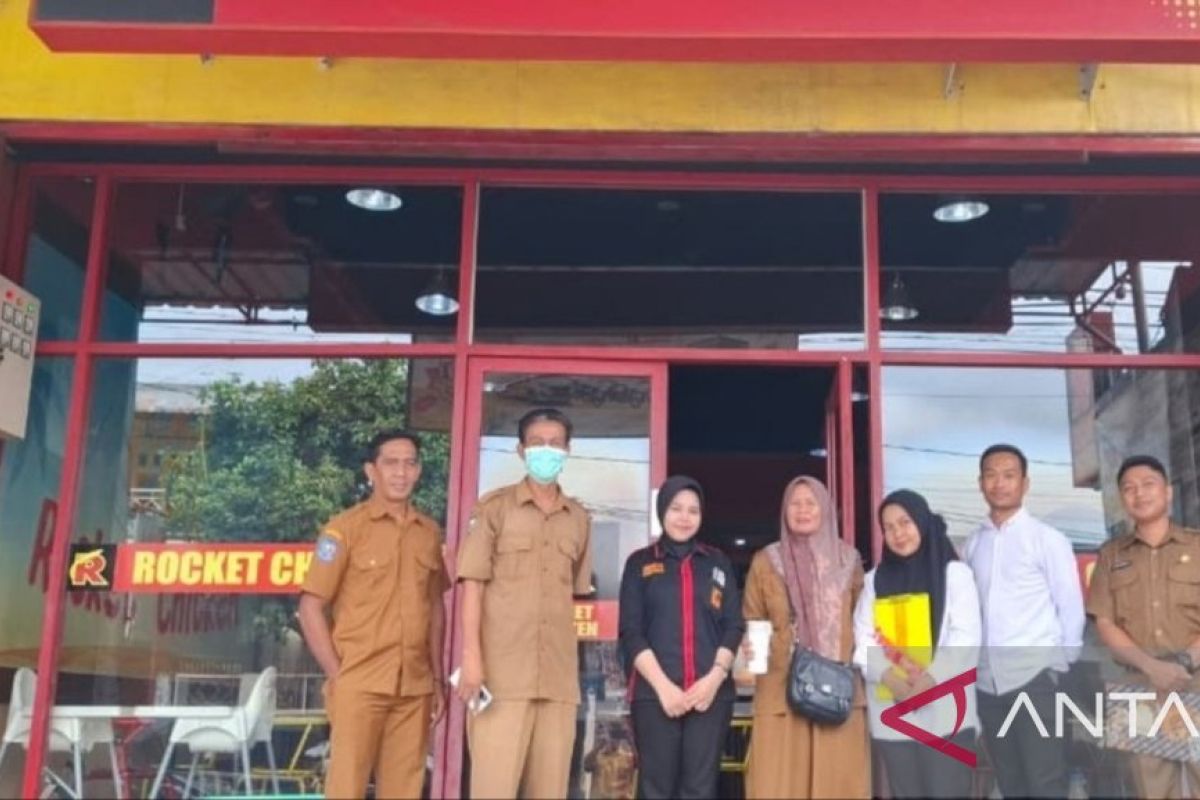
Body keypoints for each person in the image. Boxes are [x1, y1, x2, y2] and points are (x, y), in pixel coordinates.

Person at [297, 429, 450, 799]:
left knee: (405, 789)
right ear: (371, 470)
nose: (401, 472)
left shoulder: (429, 532)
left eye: (410, 464)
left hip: (414, 687)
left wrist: (437, 679)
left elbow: (435, 609)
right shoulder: (343, 530)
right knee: (346, 787)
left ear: (418, 471)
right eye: (391, 463)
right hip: (359, 682)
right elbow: (310, 607)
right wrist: (338, 675)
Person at [455, 407, 594, 798]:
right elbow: (473, 585)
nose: (546, 451)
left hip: (558, 681)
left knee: (550, 791)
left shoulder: (578, 518)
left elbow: (575, 591)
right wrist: (471, 658)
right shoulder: (494, 508)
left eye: (555, 443)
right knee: (493, 789)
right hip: (500, 678)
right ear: (520, 450)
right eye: (537, 443)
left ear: (567, 450)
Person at [963, 443, 1085, 798]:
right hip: (988, 684)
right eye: (991, 475)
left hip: (1035, 680)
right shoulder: (973, 544)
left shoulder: (1047, 539)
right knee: (1010, 782)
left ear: (1025, 483)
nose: (999, 483)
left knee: (1045, 783)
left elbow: (1070, 606)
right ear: (981, 483)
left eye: (1009, 475)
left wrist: (1058, 666)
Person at [742, 476, 869, 799]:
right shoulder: (766, 561)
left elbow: (864, 623)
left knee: (838, 785)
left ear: (825, 509)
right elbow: (754, 618)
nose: (802, 510)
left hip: (838, 692)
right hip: (780, 689)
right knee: (777, 784)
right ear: (784, 511)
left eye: (810, 503)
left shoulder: (848, 560)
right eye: (794, 503)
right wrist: (752, 661)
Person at [618, 475, 744, 799]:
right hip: (654, 696)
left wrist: (714, 679)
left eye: (693, 510)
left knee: (700, 789)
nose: (684, 517)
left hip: (709, 697)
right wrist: (663, 687)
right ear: (662, 510)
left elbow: (733, 626)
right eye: (676, 508)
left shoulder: (717, 562)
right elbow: (631, 632)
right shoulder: (640, 563)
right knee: (656, 789)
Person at [853, 489, 981, 799]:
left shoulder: (954, 575)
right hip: (893, 714)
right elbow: (863, 637)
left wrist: (928, 682)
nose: (898, 533)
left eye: (904, 522)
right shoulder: (875, 581)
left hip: (947, 713)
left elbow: (965, 638)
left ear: (921, 522)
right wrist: (891, 679)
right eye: (888, 527)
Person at [1087, 454, 1200, 798]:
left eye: (1148, 484)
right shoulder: (1111, 555)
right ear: (1122, 499)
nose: (1139, 493)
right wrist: (1152, 667)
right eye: (1129, 488)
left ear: (1168, 492)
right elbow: (1105, 622)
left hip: (1196, 678)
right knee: (1151, 789)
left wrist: (1184, 662)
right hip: (1139, 683)